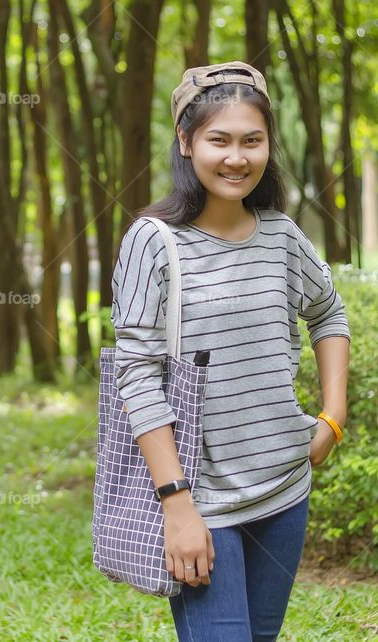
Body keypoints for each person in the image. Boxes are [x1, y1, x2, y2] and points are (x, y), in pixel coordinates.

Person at [110, 61, 351, 641]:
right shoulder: (152, 241)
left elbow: (329, 313)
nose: (236, 157)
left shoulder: (283, 235)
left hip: (285, 490)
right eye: (219, 140)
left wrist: (333, 418)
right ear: (187, 141)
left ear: (269, 145)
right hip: (201, 500)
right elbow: (137, 374)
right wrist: (176, 505)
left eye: (252, 140)